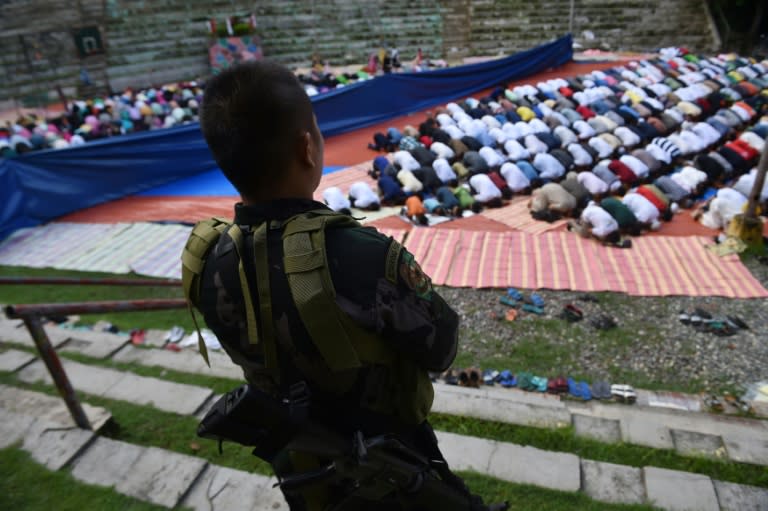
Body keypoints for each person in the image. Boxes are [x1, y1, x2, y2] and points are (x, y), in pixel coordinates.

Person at [190, 61, 493, 510]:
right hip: (393, 467)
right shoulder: (359, 254)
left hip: (301, 469)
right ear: (307, 148)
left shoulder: (207, 259)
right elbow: (441, 348)